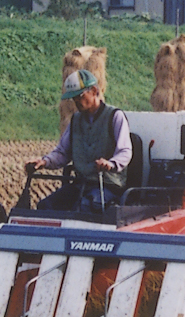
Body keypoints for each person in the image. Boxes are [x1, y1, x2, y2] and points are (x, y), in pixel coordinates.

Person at [25, 68, 131, 212]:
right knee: (46, 207)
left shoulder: (115, 117)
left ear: (94, 91)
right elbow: (63, 153)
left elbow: (125, 151)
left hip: (108, 186)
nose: (76, 102)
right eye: (73, 98)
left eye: (80, 96)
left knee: (83, 208)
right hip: (81, 184)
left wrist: (111, 164)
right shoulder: (76, 120)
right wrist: (44, 162)